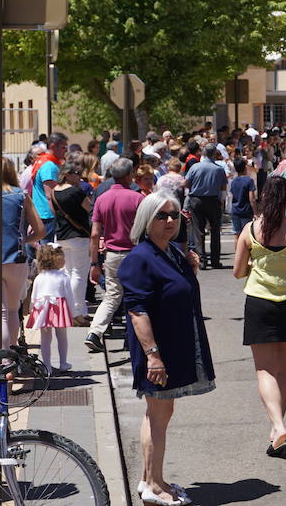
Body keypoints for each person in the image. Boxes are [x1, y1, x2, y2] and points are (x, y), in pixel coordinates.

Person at [120, 191, 214, 506]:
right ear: (147, 220)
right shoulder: (140, 257)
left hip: (171, 345)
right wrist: (153, 356)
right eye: (162, 215)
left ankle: (151, 479)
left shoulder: (171, 251)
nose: (170, 220)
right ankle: (153, 486)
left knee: (160, 413)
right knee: (157, 414)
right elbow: (136, 310)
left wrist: (191, 270)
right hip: (156, 351)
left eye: (174, 215)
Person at [233, 177, 286, 457]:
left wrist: (258, 263)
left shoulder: (250, 229)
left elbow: (238, 271)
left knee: (264, 370)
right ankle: (277, 426)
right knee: (283, 370)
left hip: (259, 302)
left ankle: (277, 425)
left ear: (264, 198)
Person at [85, 158, 145, 353]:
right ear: (129, 175)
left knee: (112, 296)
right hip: (134, 254)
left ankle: (94, 332)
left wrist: (94, 262)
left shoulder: (102, 199)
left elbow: (95, 234)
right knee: (135, 295)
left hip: (112, 254)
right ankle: (132, 335)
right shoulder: (137, 198)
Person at [1, 158, 45, 355]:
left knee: (0, 314)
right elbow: (40, 231)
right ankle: (9, 361)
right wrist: (22, 240)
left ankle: (2, 361)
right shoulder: (21, 195)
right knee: (11, 311)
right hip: (16, 258)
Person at [52, 163, 93, 325]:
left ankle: (75, 311)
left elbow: (54, 212)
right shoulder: (76, 191)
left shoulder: (55, 192)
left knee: (68, 273)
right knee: (79, 274)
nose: (79, 176)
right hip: (79, 236)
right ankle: (76, 312)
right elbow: (88, 208)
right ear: (67, 174)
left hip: (62, 235)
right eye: (76, 173)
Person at [26, 243, 74, 373]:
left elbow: (33, 297)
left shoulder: (39, 277)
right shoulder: (63, 276)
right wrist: (72, 312)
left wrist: (32, 310)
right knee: (62, 336)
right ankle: (63, 362)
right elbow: (69, 295)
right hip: (59, 308)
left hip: (42, 308)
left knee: (45, 338)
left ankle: (47, 365)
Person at [185, 143, 227, 270]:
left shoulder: (195, 167)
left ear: (203, 153)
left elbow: (186, 183)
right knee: (215, 230)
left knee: (198, 230)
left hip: (196, 200)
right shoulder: (219, 169)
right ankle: (215, 260)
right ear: (214, 154)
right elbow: (223, 188)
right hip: (213, 200)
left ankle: (202, 261)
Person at [29, 132, 69, 243]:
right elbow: (50, 195)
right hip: (48, 215)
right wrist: (58, 215)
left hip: (41, 212)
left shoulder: (42, 161)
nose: (66, 150)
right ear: (53, 146)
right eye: (63, 147)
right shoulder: (49, 166)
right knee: (47, 252)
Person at [229, 157, 258, 247]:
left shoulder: (233, 181)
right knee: (247, 235)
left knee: (237, 235)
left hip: (235, 210)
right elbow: (251, 199)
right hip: (246, 210)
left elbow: (232, 196)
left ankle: (237, 255)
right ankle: (247, 258)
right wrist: (256, 212)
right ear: (245, 168)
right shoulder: (249, 181)